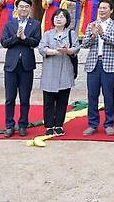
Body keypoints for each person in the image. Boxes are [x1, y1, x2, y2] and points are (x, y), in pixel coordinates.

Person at [0, 0, 41, 137]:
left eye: (26, 7)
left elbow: (36, 42)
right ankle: (9, 125)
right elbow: (4, 42)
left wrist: (24, 38)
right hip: (11, 65)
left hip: (26, 66)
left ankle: (23, 124)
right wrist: (17, 37)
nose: (24, 9)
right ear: (16, 8)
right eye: (21, 6)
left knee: (25, 98)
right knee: (10, 98)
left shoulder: (35, 24)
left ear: (30, 8)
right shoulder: (9, 24)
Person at [81, 0, 114, 136]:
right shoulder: (91, 25)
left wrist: (102, 34)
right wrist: (93, 35)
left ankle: (109, 123)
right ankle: (92, 124)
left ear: (111, 10)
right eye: (100, 8)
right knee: (92, 95)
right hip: (93, 64)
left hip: (109, 64)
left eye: (105, 8)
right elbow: (85, 44)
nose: (102, 10)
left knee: (108, 95)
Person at [38, 8, 80, 136]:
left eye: (62, 16)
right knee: (49, 100)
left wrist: (68, 51)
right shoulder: (47, 34)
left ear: (67, 20)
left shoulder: (71, 34)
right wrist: (55, 51)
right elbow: (41, 48)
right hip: (50, 70)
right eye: (56, 16)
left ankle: (59, 125)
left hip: (65, 70)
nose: (58, 18)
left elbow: (76, 48)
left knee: (62, 100)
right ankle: (49, 125)